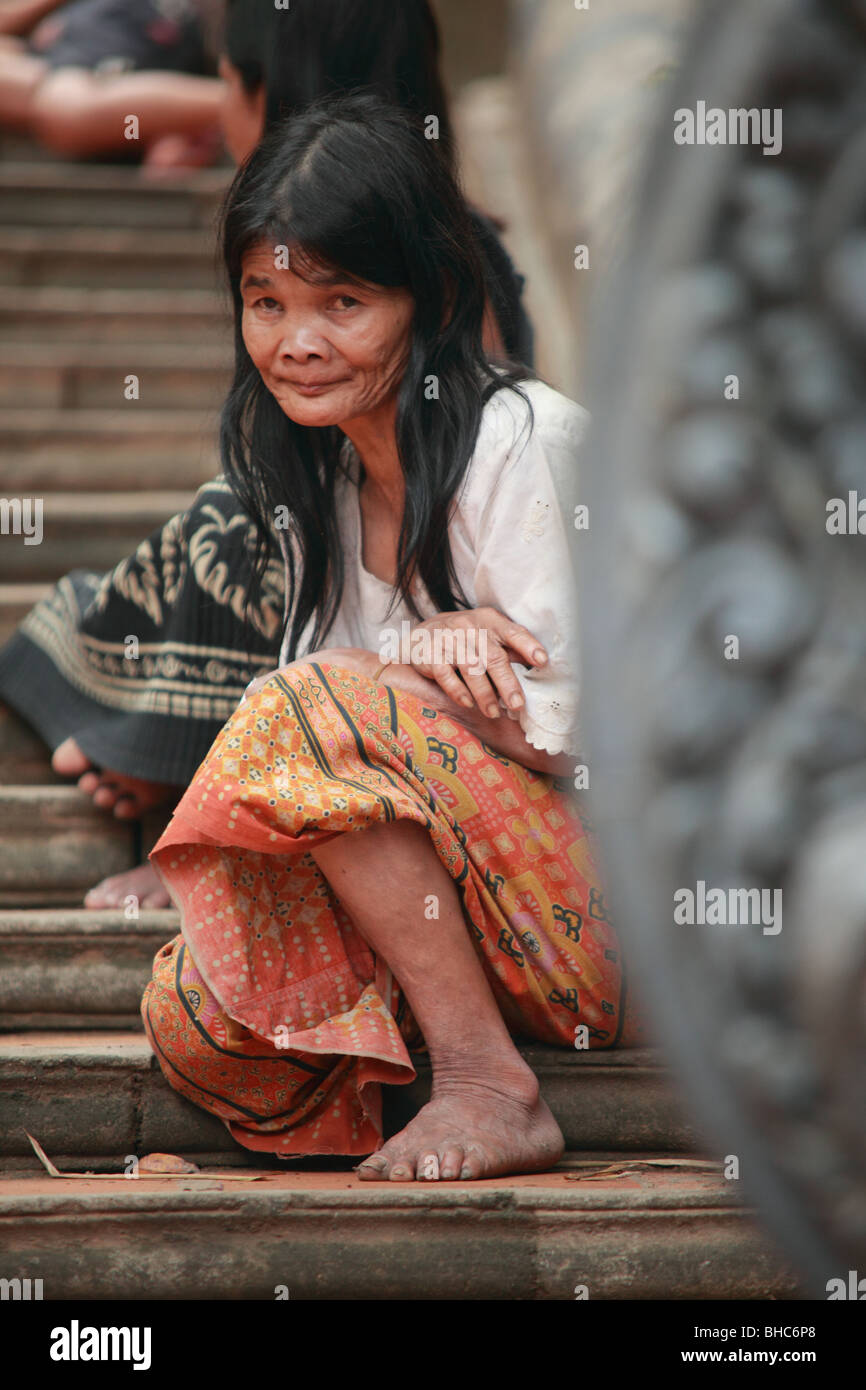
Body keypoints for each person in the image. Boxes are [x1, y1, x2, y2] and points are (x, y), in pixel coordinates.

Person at [142, 93, 642, 1183]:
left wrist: (399, 670)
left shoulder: (528, 443)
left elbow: (605, 736)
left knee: (313, 706)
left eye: (343, 301)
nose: (296, 341)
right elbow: (325, 773)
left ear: (428, 298)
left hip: (628, 924)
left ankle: (485, 1083)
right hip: (467, 920)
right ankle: (432, 1051)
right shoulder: (319, 479)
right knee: (190, 1009)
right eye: (264, 301)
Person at [0, 0, 535, 909]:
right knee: (252, 506)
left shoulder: (465, 315)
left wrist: (455, 618)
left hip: (421, 626)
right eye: (269, 304)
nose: (298, 337)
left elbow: (479, 465)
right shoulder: (328, 270)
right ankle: (171, 771)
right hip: (349, 611)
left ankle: (174, 771)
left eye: (231, 83)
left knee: (233, 521)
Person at [0, 0, 225, 169]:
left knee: (70, 110)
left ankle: (244, 100)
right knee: (71, 110)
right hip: (59, 57)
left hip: (125, 34)